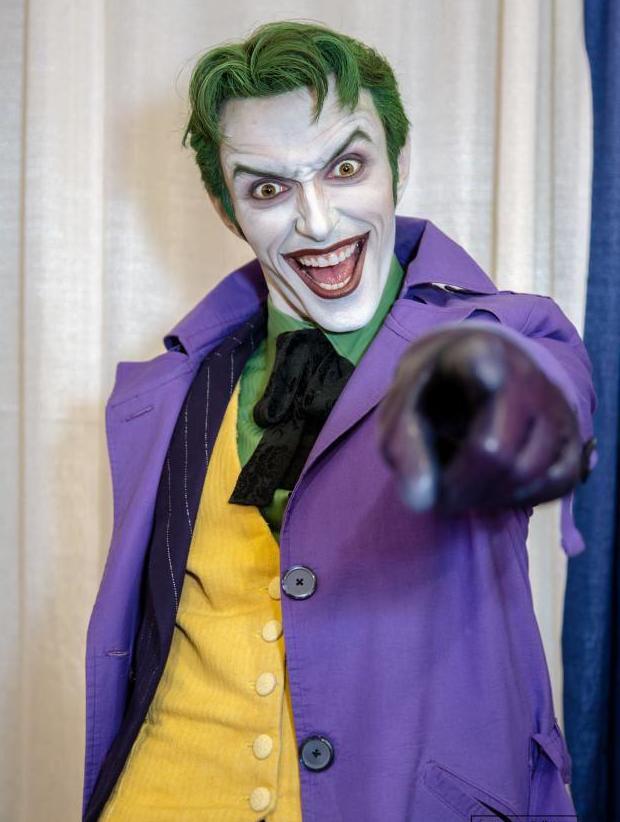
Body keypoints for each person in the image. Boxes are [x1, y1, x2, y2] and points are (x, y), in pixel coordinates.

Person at [82, 20, 596, 821]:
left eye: (346, 168)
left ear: (398, 164)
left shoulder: (502, 335)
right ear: (228, 209)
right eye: (268, 189)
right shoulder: (182, 387)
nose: (318, 223)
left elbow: (540, 413)